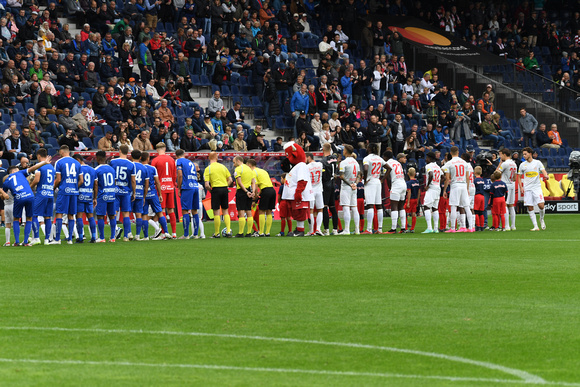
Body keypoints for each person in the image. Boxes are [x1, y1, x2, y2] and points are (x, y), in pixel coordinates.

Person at [0, 155, 52, 246]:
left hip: (19, 197)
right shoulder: (21, 173)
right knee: (29, 218)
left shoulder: (7, 181)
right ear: (13, 171)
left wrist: (3, 195)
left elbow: (3, 196)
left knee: (16, 219)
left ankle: (16, 242)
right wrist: (44, 162)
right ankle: (26, 242)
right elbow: (33, 168)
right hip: (30, 196)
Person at [52, 145, 83, 244]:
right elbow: (81, 180)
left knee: (60, 213)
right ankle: (70, 239)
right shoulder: (77, 163)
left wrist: (53, 187)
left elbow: (59, 179)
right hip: (74, 192)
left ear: (62, 151)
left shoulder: (59, 162)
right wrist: (74, 187)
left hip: (64, 191)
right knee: (71, 215)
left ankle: (57, 239)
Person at [281, 141, 313, 237]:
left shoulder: (301, 166)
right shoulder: (297, 166)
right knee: (296, 211)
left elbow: (302, 180)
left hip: (300, 194)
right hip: (294, 194)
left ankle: (300, 230)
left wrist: (298, 192)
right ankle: (299, 229)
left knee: (300, 211)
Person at [442, 146, 474, 233]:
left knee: (453, 206)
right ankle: (471, 227)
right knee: (467, 206)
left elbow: (447, 178)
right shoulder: (464, 163)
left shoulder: (449, 163)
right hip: (464, 185)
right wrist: (467, 188)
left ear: (451, 153)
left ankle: (452, 228)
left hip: (455, 185)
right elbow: (467, 177)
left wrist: (444, 190)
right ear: (458, 152)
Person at [27, 148, 55, 245]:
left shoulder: (39, 166)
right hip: (50, 194)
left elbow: (37, 180)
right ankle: (47, 239)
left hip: (41, 193)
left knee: (34, 215)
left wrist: (29, 187)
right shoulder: (51, 167)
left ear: (39, 156)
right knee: (47, 217)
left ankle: (36, 238)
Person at [141, 151, 171, 240]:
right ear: (148, 158)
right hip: (153, 193)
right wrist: (160, 194)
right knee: (160, 212)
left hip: (143, 195)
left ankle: (146, 236)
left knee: (144, 215)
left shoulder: (139, 168)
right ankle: (166, 232)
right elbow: (157, 182)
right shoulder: (153, 168)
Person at [518, 147, 549, 231]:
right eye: (523, 154)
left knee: (541, 205)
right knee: (530, 207)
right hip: (527, 188)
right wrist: (521, 187)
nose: (524, 156)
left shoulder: (537, 162)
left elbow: (543, 170)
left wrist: (546, 175)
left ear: (530, 154)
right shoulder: (522, 165)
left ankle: (541, 219)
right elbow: (519, 177)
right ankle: (535, 226)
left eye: (525, 154)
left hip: (536, 188)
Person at [110, 144, 136, 242]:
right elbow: (133, 180)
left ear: (119, 151)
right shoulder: (131, 164)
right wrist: (134, 192)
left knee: (113, 213)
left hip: (115, 191)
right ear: (128, 152)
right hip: (126, 191)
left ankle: (113, 237)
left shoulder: (113, 162)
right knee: (125, 213)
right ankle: (126, 236)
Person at [204, 151, 233, 238]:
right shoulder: (223, 167)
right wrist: (225, 187)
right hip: (224, 189)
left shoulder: (208, 169)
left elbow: (206, 184)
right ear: (216, 157)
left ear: (209, 158)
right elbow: (230, 180)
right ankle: (228, 231)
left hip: (216, 189)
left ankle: (217, 233)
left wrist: (211, 191)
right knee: (225, 211)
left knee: (216, 212)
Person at [151, 142, 177, 238]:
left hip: (160, 187)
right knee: (171, 209)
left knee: (161, 210)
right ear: (165, 149)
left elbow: (152, 175)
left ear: (157, 150)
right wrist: (172, 184)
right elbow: (174, 175)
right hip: (170, 186)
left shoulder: (155, 160)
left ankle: (163, 233)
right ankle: (174, 233)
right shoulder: (171, 160)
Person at [94, 150, 118, 243]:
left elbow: (95, 185)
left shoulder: (96, 169)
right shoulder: (112, 169)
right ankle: (112, 237)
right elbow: (115, 182)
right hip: (112, 194)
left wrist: (95, 197)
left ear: (98, 158)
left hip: (102, 195)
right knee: (112, 215)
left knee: (100, 216)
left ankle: (102, 237)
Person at [246, 159, 275, 237]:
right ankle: (267, 232)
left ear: (249, 165)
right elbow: (264, 185)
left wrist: (254, 199)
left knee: (261, 211)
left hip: (266, 191)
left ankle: (261, 232)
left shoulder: (253, 172)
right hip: (272, 190)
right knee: (269, 211)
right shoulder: (263, 171)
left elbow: (255, 187)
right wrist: (258, 194)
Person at [361, 143, 386, 234]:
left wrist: (365, 179)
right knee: (379, 205)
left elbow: (366, 168)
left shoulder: (367, 158)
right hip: (378, 181)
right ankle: (380, 229)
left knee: (370, 205)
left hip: (370, 181)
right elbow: (389, 168)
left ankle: (369, 229)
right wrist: (382, 179)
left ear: (369, 149)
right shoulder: (379, 158)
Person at [176, 149, 200, 239]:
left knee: (185, 210)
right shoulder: (190, 162)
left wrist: (179, 188)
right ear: (184, 154)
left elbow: (180, 174)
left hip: (187, 187)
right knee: (194, 211)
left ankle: (186, 235)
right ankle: (195, 234)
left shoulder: (178, 161)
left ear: (176, 155)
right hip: (195, 187)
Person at [73, 154, 97, 243]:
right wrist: (95, 197)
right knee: (90, 216)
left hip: (80, 195)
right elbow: (96, 184)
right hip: (89, 195)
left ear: (78, 160)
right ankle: (93, 237)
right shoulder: (92, 169)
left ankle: (80, 237)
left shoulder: (78, 169)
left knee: (79, 216)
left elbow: (79, 181)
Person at [337, 144, 360, 235]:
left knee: (346, 207)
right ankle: (357, 229)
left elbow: (342, 176)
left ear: (346, 151)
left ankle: (346, 229)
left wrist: (350, 184)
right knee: (354, 208)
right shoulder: (356, 162)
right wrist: (355, 184)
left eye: (343, 150)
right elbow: (359, 175)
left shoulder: (344, 162)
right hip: (354, 187)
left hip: (346, 187)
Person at [383, 151, 408, 234]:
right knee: (401, 206)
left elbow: (387, 177)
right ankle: (403, 228)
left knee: (394, 206)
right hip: (403, 184)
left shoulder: (386, 163)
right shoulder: (398, 163)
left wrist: (390, 187)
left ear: (385, 157)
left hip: (396, 184)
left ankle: (393, 229)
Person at [233, 155, 257, 237]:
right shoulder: (249, 169)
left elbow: (239, 182)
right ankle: (249, 232)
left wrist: (246, 191)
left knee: (241, 212)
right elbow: (253, 182)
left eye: (234, 162)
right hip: (249, 191)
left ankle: (240, 233)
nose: (233, 164)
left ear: (238, 161)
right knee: (249, 211)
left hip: (242, 191)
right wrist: (253, 192)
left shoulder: (238, 169)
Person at [496, 148, 518, 231]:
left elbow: (497, 173)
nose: (500, 156)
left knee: (504, 205)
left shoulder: (505, 164)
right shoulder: (514, 163)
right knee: (511, 205)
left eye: (501, 155)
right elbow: (515, 177)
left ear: (504, 155)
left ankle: (507, 226)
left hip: (505, 185)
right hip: (512, 184)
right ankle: (513, 226)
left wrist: (499, 164)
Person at [321, 143, 339, 235]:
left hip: (326, 184)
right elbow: (336, 152)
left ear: (323, 150)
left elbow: (323, 175)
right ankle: (335, 229)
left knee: (324, 206)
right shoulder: (334, 158)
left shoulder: (323, 161)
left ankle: (326, 229)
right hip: (333, 184)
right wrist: (332, 143)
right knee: (333, 207)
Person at [131, 149, 149, 241]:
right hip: (140, 192)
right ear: (140, 157)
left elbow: (130, 180)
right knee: (139, 214)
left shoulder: (130, 165)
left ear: (131, 156)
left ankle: (128, 234)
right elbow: (146, 184)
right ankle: (137, 235)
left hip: (131, 193)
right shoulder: (144, 168)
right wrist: (144, 196)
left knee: (127, 213)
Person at [422, 152, 442, 233]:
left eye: (427, 158)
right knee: (435, 208)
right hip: (438, 187)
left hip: (432, 188)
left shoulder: (429, 166)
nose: (426, 160)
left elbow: (430, 174)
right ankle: (436, 228)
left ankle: (429, 228)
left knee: (426, 207)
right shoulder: (437, 166)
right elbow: (443, 176)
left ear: (430, 158)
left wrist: (427, 185)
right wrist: (438, 182)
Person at [306, 152, 324, 236]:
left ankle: (311, 231)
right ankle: (318, 229)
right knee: (320, 209)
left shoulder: (307, 167)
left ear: (309, 157)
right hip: (319, 189)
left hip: (311, 190)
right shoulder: (320, 164)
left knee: (311, 210)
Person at [405, 167, 420, 233]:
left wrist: (408, 202)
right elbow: (419, 191)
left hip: (410, 199)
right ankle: (412, 228)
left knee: (404, 212)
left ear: (408, 174)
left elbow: (409, 192)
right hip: (415, 199)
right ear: (415, 174)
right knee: (413, 213)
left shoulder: (408, 182)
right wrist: (418, 200)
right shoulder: (417, 182)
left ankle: (405, 227)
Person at [473, 166, 487, 231]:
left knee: (476, 211)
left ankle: (477, 226)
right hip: (482, 196)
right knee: (481, 212)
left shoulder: (475, 180)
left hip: (477, 196)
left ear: (474, 172)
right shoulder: (482, 180)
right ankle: (482, 226)